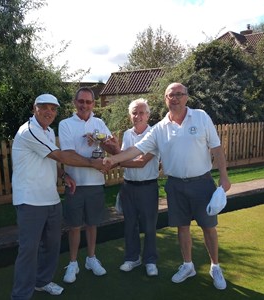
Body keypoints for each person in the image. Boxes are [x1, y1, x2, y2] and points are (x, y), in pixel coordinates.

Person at [103, 83, 231, 290]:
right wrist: (112, 160)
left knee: (209, 227)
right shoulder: (160, 128)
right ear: (165, 99)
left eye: (179, 94)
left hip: (202, 182)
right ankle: (188, 265)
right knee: (182, 227)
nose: (175, 98)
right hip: (175, 185)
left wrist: (224, 176)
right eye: (171, 95)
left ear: (186, 97)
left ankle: (215, 266)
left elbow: (216, 147)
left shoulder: (201, 116)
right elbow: (135, 150)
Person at [11, 93, 107, 299]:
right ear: (34, 108)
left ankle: (42, 282)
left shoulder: (47, 131)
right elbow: (60, 155)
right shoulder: (29, 131)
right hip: (30, 200)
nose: (49, 112)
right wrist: (92, 164)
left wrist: (64, 175)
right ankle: (21, 295)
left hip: (51, 199)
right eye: (44, 107)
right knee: (29, 250)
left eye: (53, 109)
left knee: (51, 245)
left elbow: (50, 160)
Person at [58, 87, 114, 284]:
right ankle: (73, 263)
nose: (84, 105)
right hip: (75, 184)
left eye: (88, 102)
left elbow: (115, 149)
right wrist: (92, 163)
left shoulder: (99, 123)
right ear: (75, 102)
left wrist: (105, 141)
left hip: (96, 183)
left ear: (93, 104)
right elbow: (68, 156)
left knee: (92, 224)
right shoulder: (65, 124)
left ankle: (91, 258)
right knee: (74, 226)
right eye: (81, 101)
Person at [111, 98, 160, 276]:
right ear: (130, 115)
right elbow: (123, 156)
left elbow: (141, 163)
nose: (138, 116)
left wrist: (116, 162)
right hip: (128, 187)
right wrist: (114, 151)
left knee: (149, 226)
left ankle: (150, 260)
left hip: (148, 187)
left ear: (148, 115)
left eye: (141, 112)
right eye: (134, 113)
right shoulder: (127, 134)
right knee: (130, 225)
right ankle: (132, 258)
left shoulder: (154, 133)